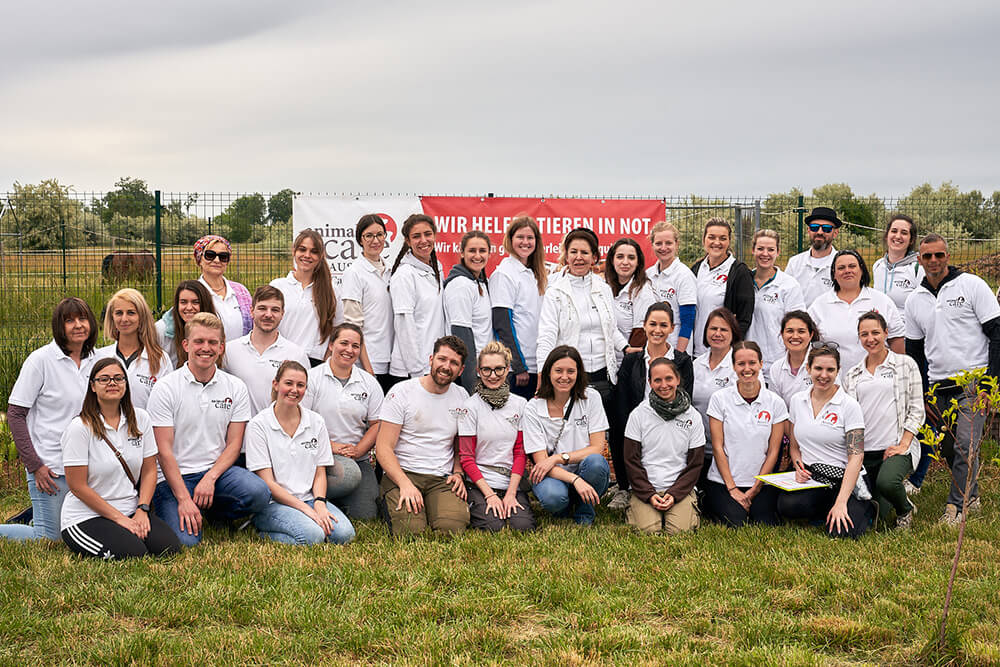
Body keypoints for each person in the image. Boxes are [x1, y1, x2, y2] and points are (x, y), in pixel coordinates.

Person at [148, 313, 271, 547]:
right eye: (199, 341)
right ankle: (177, 508)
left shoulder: (235, 387)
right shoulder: (166, 388)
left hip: (216, 473)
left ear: (221, 347)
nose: (206, 348)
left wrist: (210, 478)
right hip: (174, 478)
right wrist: (184, 499)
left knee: (259, 493)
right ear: (185, 345)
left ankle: (213, 511)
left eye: (213, 342)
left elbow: (234, 444)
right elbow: (163, 452)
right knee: (186, 542)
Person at [905, 233, 1000, 524]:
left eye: (939, 255)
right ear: (919, 260)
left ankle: (955, 508)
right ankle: (972, 495)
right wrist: (923, 394)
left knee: (965, 445)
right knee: (948, 447)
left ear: (948, 256)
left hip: (973, 383)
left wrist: (989, 384)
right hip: (938, 386)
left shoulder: (972, 285)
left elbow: (997, 334)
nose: (934, 260)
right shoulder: (914, 300)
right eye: (927, 256)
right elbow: (914, 353)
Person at [60, 358, 181, 559]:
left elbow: (149, 470)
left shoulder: (141, 419)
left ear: (125, 384)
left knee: (168, 548)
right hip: (87, 515)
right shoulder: (79, 428)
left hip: (130, 509)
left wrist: (142, 509)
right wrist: (119, 519)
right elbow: (77, 486)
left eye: (118, 378)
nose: (112, 383)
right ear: (93, 386)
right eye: (104, 379)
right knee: (134, 553)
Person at [0, 298, 99, 541]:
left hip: (88, 466)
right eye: (69, 320)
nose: (78, 325)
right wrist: (35, 465)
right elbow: (15, 414)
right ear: (59, 326)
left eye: (83, 318)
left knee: (81, 529)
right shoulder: (41, 360)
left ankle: (37, 515)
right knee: (50, 538)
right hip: (51, 467)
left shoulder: (98, 360)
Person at [245, 361, 355, 545]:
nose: (294, 390)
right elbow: (268, 483)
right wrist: (306, 511)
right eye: (288, 383)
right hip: (274, 504)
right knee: (313, 536)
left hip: (309, 498)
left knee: (344, 535)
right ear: (276, 384)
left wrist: (319, 503)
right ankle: (262, 531)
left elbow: (319, 472)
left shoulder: (316, 422)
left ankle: (306, 526)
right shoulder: (258, 425)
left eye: (300, 385)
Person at [375, 336, 471, 536]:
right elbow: (383, 448)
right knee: (411, 532)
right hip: (403, 473)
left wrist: (458, 472)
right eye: (442, 359)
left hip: (442, 478)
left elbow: (459, 444)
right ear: (431, 359)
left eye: (454, 363)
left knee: (451, 529)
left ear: (461, 370)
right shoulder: (402, 392)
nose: (446, 367)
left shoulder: (462, 396)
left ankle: (437, 506)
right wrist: (404, 484)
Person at [777, 343, 874, 539]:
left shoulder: (849, 405)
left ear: (838, 370)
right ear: (808, 368)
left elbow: (856, 457)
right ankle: (826, 509)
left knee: (843, 533)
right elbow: (794, 447)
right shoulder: (797, 401)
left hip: (846, 479)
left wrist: (841, 503)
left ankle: (863, 506)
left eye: (830, 369)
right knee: (787, 506)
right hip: (815, 479)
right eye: (818, 368)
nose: (824, 375)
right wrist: (798, 467)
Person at [843, 312, 924, 529]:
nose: (870, 339)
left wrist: (904, 444)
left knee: (887, 483)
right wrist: (852, 455)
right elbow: (848, 419)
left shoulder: (905, 365)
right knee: (873, 515)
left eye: (875, 332)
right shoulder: (852, 375)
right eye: (864, 334)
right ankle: (894, 498)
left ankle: (905, 511)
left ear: (886, 333)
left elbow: (917, 409)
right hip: (864, 453)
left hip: (894, 447)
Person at [609, 302, 694, 510]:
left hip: (670, 421)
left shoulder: (682, 362)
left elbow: (685, 399)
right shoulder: (632, 360)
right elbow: (623, 401)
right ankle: (624, 487)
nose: (658, 330)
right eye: (653, 324)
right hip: (637, 423)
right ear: (644, 326)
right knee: (618, 427)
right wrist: (631, 428)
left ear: (672, 328)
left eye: (663, 325)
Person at [536, 228, 629, 403]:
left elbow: (611, 328)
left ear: (594, 257)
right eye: (573, 252)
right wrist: (542, 373)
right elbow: (546, 336)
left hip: (604, 377)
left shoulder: (604, 289)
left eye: (584, 253)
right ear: (566, 256)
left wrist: (625, 347)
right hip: (570, 377)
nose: (579, 257)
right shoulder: (555, 292)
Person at [523, 346, 611, 526]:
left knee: (596, 463)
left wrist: (558, 458)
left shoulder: (591, 397)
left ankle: (585, 509)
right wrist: (575, 480)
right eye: (558, 371)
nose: (564, 377)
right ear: (548, 373)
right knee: (553, 497)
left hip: (585, 469)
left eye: (571, 371)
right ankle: (563, 507)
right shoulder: (533, 408)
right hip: (551, 475)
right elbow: (542, 463)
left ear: (579, 373)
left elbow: (597, 448)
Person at [304, 324, 384, 520]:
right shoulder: (312, 378)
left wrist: (358, 450)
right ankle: (308, 496)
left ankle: (331, 500)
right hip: (317, 454)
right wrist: (332, 447)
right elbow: (300, 421)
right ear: (331, 345)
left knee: (366, 515)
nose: (349, 350)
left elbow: (377, 424)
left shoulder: (369, 382)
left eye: (355, 346)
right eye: (344, 343)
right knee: (348, 477)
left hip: (356, 457)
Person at [702, 342, 786, 528]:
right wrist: (732, 488)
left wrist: (756, 488)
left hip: (761, 481)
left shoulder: (775, 403)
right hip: (724, 481)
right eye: (741, 364)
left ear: (761, 364)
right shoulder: (719, 399)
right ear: (733, 366)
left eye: (752, 363)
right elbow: (717, 447)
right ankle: (710, 501)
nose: (747, 369)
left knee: (764, 523)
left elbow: (773, 451)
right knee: (737, 521)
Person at [458, 341, 535, 532]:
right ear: (478, 371)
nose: (493, 376)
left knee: (523, 526)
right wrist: (490, 495)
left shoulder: (520, 404)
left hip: (510, 480)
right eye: (486, 370)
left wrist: (511, 493)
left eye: (499, 369)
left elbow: (520, 452)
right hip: (480, 482)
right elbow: (466, 457)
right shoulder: (469, 407)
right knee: (494, 526)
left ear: (508, 369)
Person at [622, 358, 705, 534]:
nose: (664, 385)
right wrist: (649, 494)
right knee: (648, 531)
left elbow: (695, 464)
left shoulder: (693, 416)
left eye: (669, 378)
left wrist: (674, 494)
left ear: (678, 379)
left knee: (679, 532)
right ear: (650, 382)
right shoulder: (639, 415)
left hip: (680, 489)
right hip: (646, 487)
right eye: (657, 380)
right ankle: (637, 508)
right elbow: (631, 461)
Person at [807, 249, 904, 376]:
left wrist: (900, 375)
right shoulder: (819, 305)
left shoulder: (882, 301)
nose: (847, 270)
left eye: (852, 266)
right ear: (834, 274)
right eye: (841, 268)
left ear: (861, 270)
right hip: (832, 380)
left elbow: (896, 340)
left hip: (876, 379)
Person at [223, 286, 309, 416]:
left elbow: (304, 402)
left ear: (282, 314)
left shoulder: (296, 354)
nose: (268, 315)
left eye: (275, 310)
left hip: (278, 428)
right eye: (262, 308)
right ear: (252, 311)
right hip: (239, 427)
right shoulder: (229, 350)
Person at [490, 216, 547, 399]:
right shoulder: (504, 274)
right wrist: (518, 365)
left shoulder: (535, 273)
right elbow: (502, 324)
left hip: (537, 366)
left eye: (530, 238)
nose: (525, 242)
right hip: (518, 372)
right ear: (510, 239)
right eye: (520, 237)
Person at [388, 214, 445, 383]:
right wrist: (416, 371)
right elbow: (404, 324)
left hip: (432, 365)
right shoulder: (404, 275)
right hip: (411, 371)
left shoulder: (437, 269)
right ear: (407, 241)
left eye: (427, 234)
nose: (423, 240)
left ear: (434, 236)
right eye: (416, 236)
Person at [341, 214, 394, 392]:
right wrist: (368, 369)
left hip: (392, 361)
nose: (375, 240)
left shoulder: (391, 270)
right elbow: (353, 327)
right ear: (360, 240)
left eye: (379, 234)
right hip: (369, 361)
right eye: (369, 236)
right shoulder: (354, 273)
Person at [270, 229, 338, 366]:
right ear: (294, 251)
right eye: (302, 249)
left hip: (315, 362)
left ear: (321, 256)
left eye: (314, 251)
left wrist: (326, 360)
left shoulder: (332, 290)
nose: (307, 255)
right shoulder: (277, 286)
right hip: (281, 360)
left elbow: (337, 329)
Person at [96, 288, 172, 409]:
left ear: (141, 317)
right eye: (119, 313)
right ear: (112, 317)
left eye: (131, 313)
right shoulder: (99, 357)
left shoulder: (161, 359)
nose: (124, 319)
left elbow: (167, 405)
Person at [689, 218, 754, 356]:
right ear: (704, 240)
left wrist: (729, 349)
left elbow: (744, 319)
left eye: (722, 238)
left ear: (729, 241)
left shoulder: (739, 272)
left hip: (722, 353)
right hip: (696, 353)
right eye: (711, 237)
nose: (717, 242)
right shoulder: (696, 269)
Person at [745, 230, 805, 378]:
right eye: (760, 249)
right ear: (753, 250)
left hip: (777, 363)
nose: (765, 254)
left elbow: (798, 326)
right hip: (746, 362)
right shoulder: (743, 281)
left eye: (771, 249)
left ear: (778, 252)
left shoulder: (789, 285)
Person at [691, 308, 741, 474]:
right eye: (713, 328)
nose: (717, 334)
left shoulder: (741, 366)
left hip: (730, 453)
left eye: (724, 330)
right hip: (698, 450)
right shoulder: (696, 365)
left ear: (733, 333)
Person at [444, 230, 493, 393]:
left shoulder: (480, 282)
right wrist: (471, 386)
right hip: (470, 376)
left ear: (489, 254)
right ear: (462, 253)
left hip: (483, 371)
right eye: (472, 250)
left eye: (482, 251)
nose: (477, 256)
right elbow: (461, 337)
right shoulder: (461, 285)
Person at [645, 222, 697, 353]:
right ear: (652, 245)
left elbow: (688, 322)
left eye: (668, 243)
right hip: (651, 348)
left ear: (676, 244)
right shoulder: (648, 275)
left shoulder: (684, 276)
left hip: (675, 347)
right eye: (658, 243)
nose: (663, 248)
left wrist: (679, 355)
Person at [193, 235, 253, 342]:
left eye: (223, 256)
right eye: (210, 255)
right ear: (199, 259)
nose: (217, 260)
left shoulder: (241, 291)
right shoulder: (193, 292)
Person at [871, 213, 924, 327]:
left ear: (911, 240)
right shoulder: (877, 266)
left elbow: (923, 309)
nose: (898, 236)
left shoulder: (918, 269)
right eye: (894, 231)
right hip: (880, 332)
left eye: (904, 233)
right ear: (887, 235)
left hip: (906, 333)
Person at [605, 238, 657, 348]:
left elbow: (641, 335)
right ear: (612, 260)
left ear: (638, 262)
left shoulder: (643, 291)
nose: (625, 262)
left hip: (628, 356)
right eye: (620, 257)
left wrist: (629, 356)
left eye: (631, 258)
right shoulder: (604, 286)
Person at [784, 206, 841, 306]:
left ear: (835, 233)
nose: (820, 232)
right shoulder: (794, 263)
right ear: (808, 230)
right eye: (814, 227)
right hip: (798, 315)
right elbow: (785, 295)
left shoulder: (842, 264)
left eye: (826, 228)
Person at [155, 280, 217, 369]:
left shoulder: (215, 328)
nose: (189, 308)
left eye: (195, 302)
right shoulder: (161, 330)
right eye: (183, 302)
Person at [767, 311, 821, 405]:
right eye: (790, 331)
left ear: (811, 335)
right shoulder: (776, 369)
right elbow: (775, 407)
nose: (795, 336)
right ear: (782, 334)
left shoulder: (824, 363)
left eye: (801, 331)